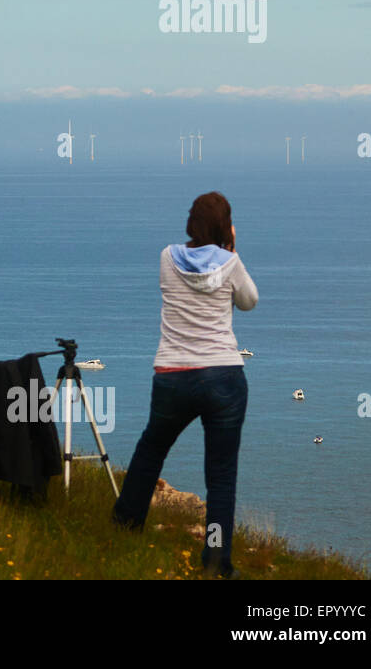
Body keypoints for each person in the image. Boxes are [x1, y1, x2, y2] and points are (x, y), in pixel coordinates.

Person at [112, 191, 258, 578]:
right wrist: (231, 248)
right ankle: (214, 561)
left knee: (150, 451)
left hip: (174, 376)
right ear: (226, 226)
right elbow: (250, 301)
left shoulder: (166, 257)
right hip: (224, 376)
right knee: (221, 475)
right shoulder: (231, 263)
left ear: (191, 222)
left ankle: (125, 527)